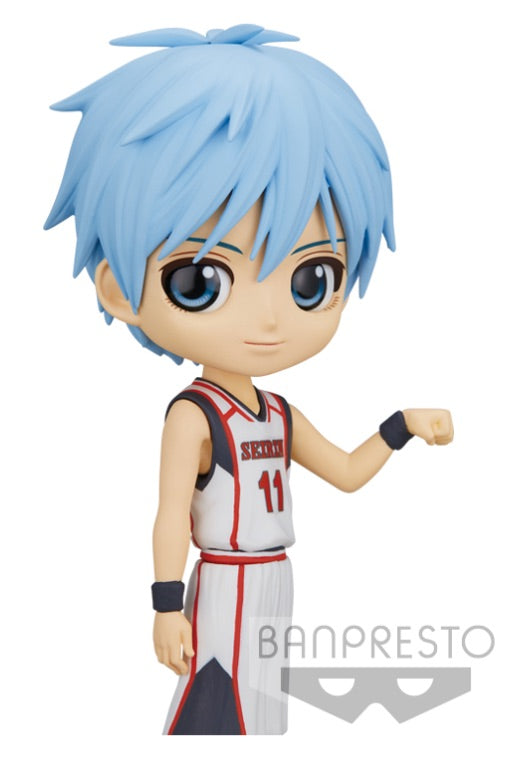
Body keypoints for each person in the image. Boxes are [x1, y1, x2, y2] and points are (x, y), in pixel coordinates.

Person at [45, 23, 454, 735]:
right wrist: (165, 605)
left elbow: (347, 473)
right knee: (214, 711)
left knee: (265, 719)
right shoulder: (195, 416)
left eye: (309, 278)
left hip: (276, 579)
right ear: (117, 289)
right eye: (201, 280)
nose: (267, 319)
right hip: (223, 579)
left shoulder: (278, 412)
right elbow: (171, 511)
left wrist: (401, 427)